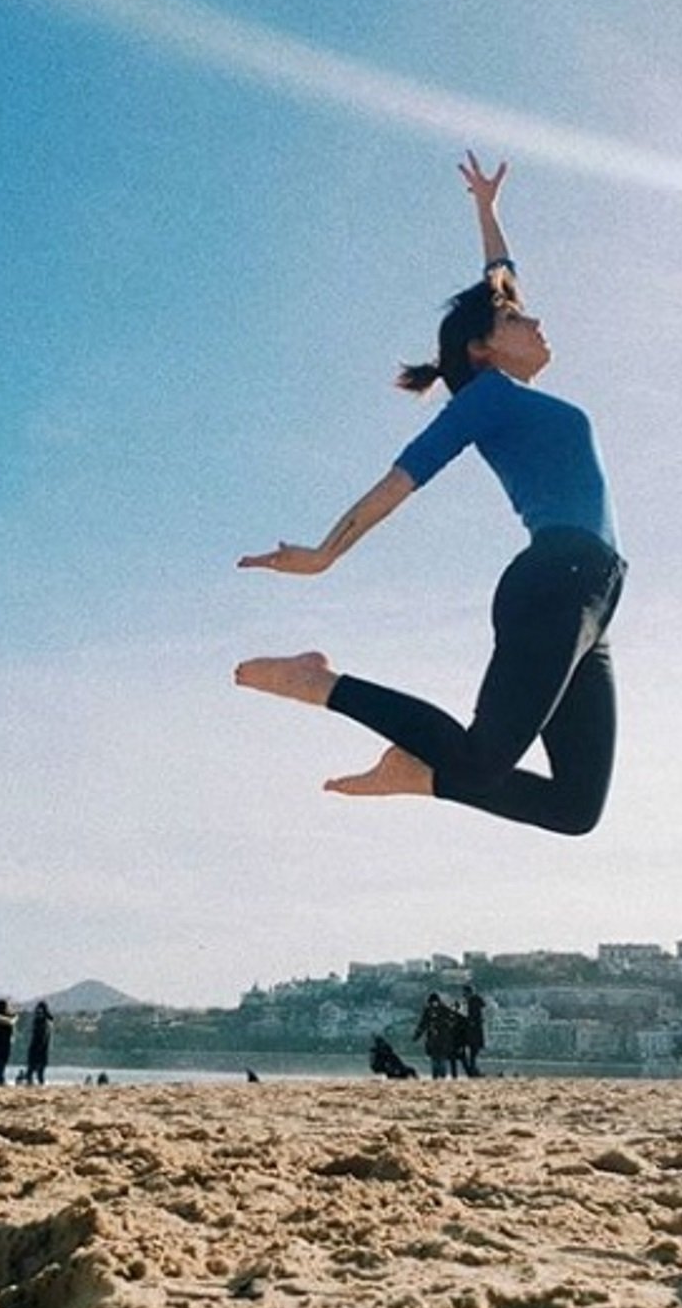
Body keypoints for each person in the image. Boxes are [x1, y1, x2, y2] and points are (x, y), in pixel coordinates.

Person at [236, 154, 625, 836]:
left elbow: (501, 276)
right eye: (518, 321)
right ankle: (318, 684)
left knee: (575, 810)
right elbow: (396, 484)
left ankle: (419, 776)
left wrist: (485, 208)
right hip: (555, 580)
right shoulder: (484, 402)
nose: (535, 325)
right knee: (481, 761)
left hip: (593, 599)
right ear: (482, 348)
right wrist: (326, 554)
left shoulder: (503, 390)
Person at [413, 992, 459, 1080]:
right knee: (434, 1057)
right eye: (432, 1002)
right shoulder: (428, 1011)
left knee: (442, 1057)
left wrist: (447, 1024)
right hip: (432, 1037)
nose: (434, 1004)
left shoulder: (444, 1009)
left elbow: (452, 1020)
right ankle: (435, 1074)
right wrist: (417, 1035)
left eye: (435, 1002)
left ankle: (442, 1074)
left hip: (443, 1037)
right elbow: (423, 1023)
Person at [25, 1002, 54, 1086]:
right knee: (36, 1071)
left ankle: (35, 1083)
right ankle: (36, 1083)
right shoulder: (45, 1022)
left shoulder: (44, 1022)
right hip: (41, 1048)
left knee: (35, 1070)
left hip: (39, 1048)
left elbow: (43, 1036)